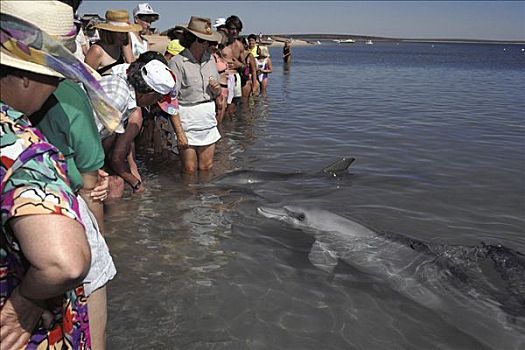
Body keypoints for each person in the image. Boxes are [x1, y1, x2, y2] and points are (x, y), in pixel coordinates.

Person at [1, 1, 94, 348]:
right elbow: (63, 263)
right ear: (25, 73)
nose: (56, 85)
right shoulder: (17, 145)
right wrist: (23, 303)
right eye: (56, 74)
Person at [98, 59, 175, 198]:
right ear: (150, 93)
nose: (155, 103)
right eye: (158, 98)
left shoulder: (124, 91)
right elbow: (86, 135)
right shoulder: (118, 97)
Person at [168, 17, 222, 174]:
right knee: (189, 169)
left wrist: (217, 90)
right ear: (196, 41)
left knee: (206, 167)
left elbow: (217, 94)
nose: (210, 45)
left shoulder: (210, 60)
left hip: (207, 119)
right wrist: (179, 133)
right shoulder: (177, 62)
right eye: (207, 41)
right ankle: (188, 198)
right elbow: (171, 100)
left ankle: (206, 198)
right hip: (186, 119)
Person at [85, 9, 141, 75]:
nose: (124, 36)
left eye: (126, 32)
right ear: (110, 32)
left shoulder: (119, 46)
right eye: (121, 33)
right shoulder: (97, 51)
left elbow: (131, 61)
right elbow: (86, 77)